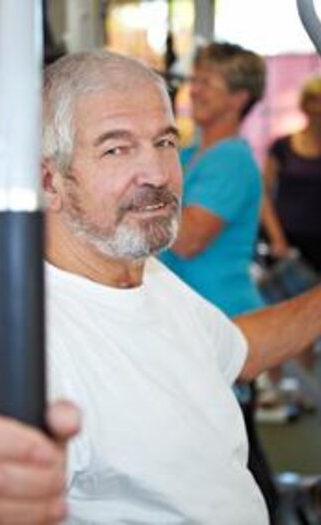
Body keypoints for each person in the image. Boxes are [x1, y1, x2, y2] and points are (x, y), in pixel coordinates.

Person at [0, 50, 321, 525]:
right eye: (116, 149)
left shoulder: (145, 275)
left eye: (164, 142)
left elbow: (239, 348)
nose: (157, 174)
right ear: (47, 181)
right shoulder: (18, 334)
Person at [158, 42, 279, 521]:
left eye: (209, 82)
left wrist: (127, 212)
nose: (195, 89)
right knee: (217, 449)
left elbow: (186, 239)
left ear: (238, 97)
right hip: (186, 319)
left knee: (235, 456)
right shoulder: (189, 152)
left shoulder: (231, 160)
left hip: (224, 315)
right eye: (196, 79)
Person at [262, 74, 321, 271]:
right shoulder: (282, 146)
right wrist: (276, 237)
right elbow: (264, 194)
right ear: (305, 104)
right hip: (285, 242)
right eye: (315, 101)